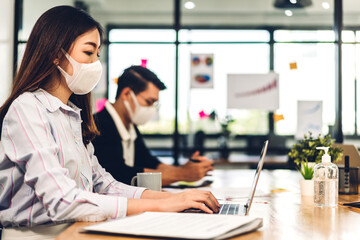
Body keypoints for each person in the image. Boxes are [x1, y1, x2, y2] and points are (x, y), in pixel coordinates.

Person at [0, 6, 219, 239]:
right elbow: (62, 201)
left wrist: (173, 199)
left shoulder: (72, 114)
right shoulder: (27, 108)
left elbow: (104, 185)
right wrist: (162, 205)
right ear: (56, 54)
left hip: (77, 228)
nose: (96, 63)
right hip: (39, 235)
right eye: (88, 52)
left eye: (97, 55)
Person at [92, 66, 214, 186]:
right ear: (127, 94)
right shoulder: (99, 124)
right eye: (149, 102)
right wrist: (182, 174)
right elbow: (118, 174)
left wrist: (185, 169)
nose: (151, 109)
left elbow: (150, 162)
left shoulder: (129, 126)